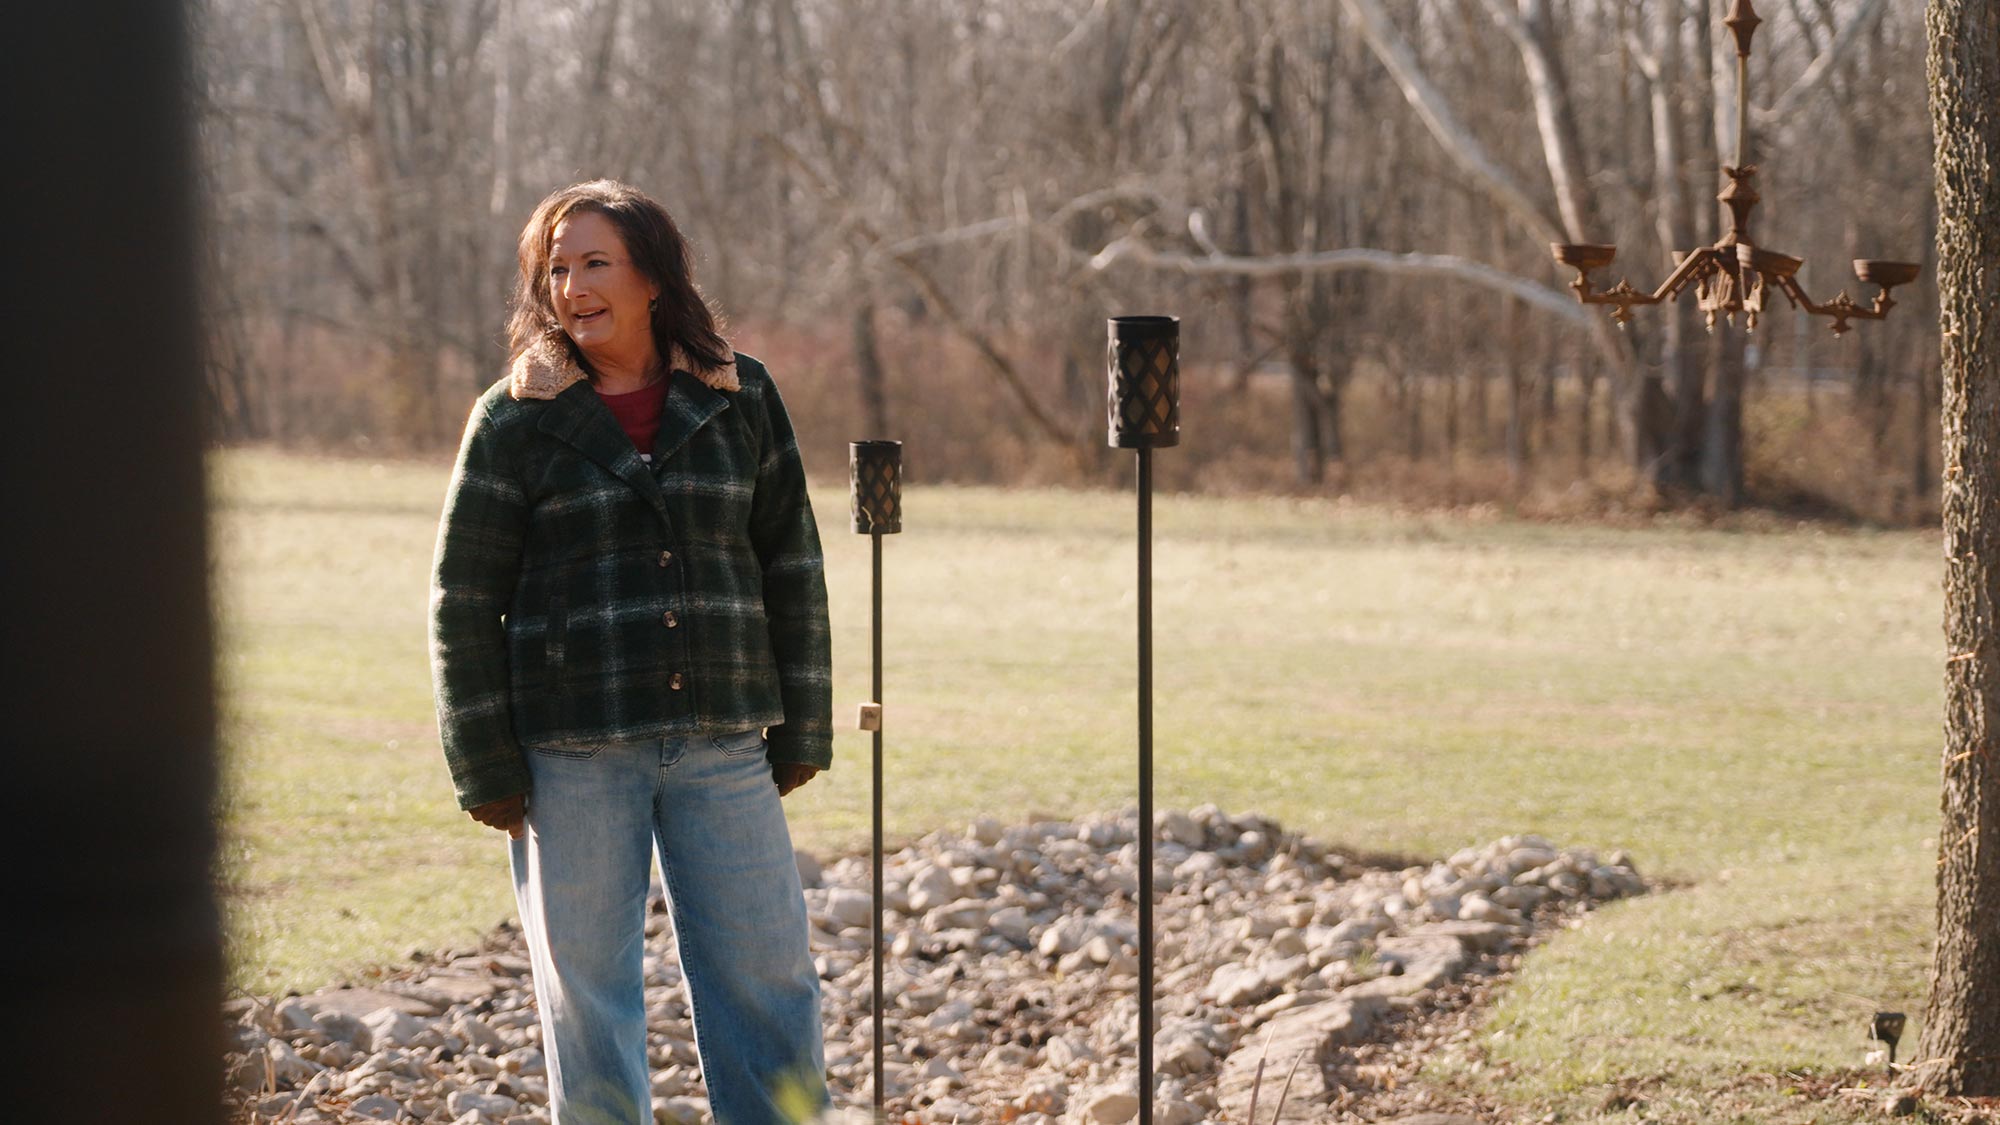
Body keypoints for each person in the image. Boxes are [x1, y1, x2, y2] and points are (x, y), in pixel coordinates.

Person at [429, 179, 832, 1125]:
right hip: (571, 757)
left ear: (653, 275)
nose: (571, 286)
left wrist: (802, 723)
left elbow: (791, 561)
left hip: (722, 745)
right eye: (554, 269)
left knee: (769, 980)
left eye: (593, 263)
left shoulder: (741, 395)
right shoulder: (512, 420)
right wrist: (484, 761)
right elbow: (462, 598)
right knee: (589, 1006)